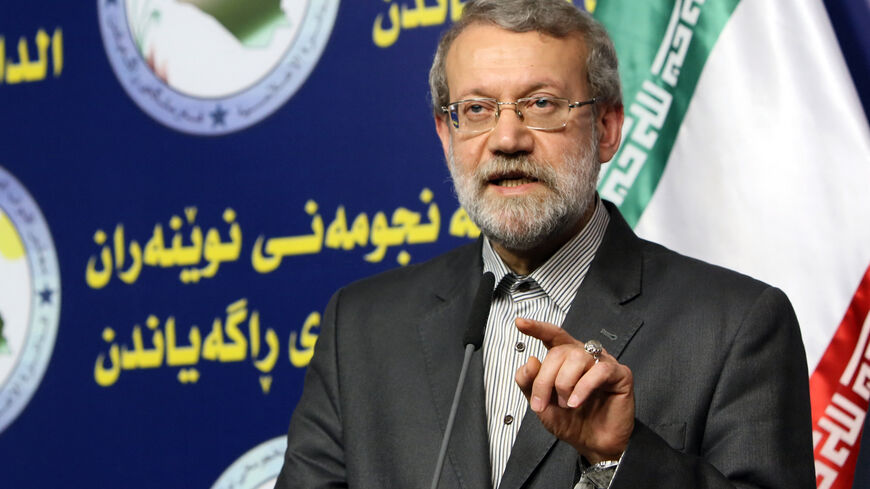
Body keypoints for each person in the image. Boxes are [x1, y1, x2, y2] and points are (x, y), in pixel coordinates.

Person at [275, 0, 815, 487]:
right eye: (478, 110)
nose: (507, 139)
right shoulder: (361, 327)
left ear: (605, 129)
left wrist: (622, 458)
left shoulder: (737, 324)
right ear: (446, 135)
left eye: (541, 103)